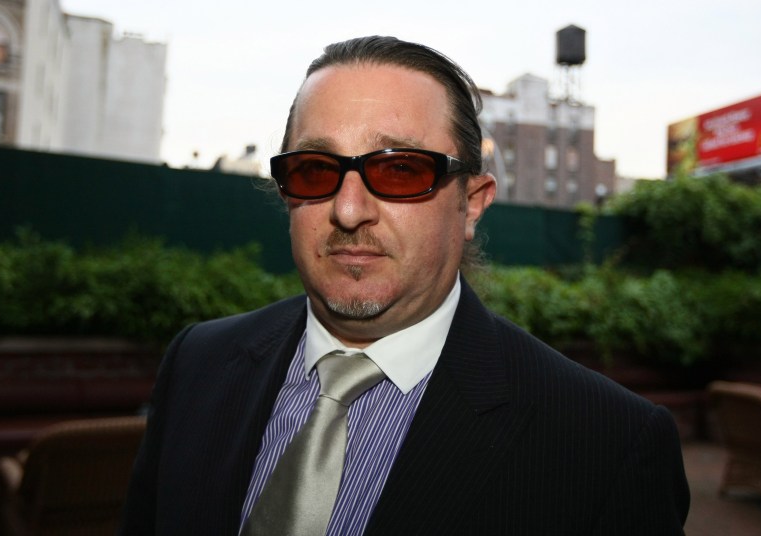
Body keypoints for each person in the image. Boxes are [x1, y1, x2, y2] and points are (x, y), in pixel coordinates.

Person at [120, 36, 690, 535]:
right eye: (316, 169)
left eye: (400, 170)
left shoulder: (607, 445)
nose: (348, 210)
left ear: (471, 204)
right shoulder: (198, 363)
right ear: (289, 192)